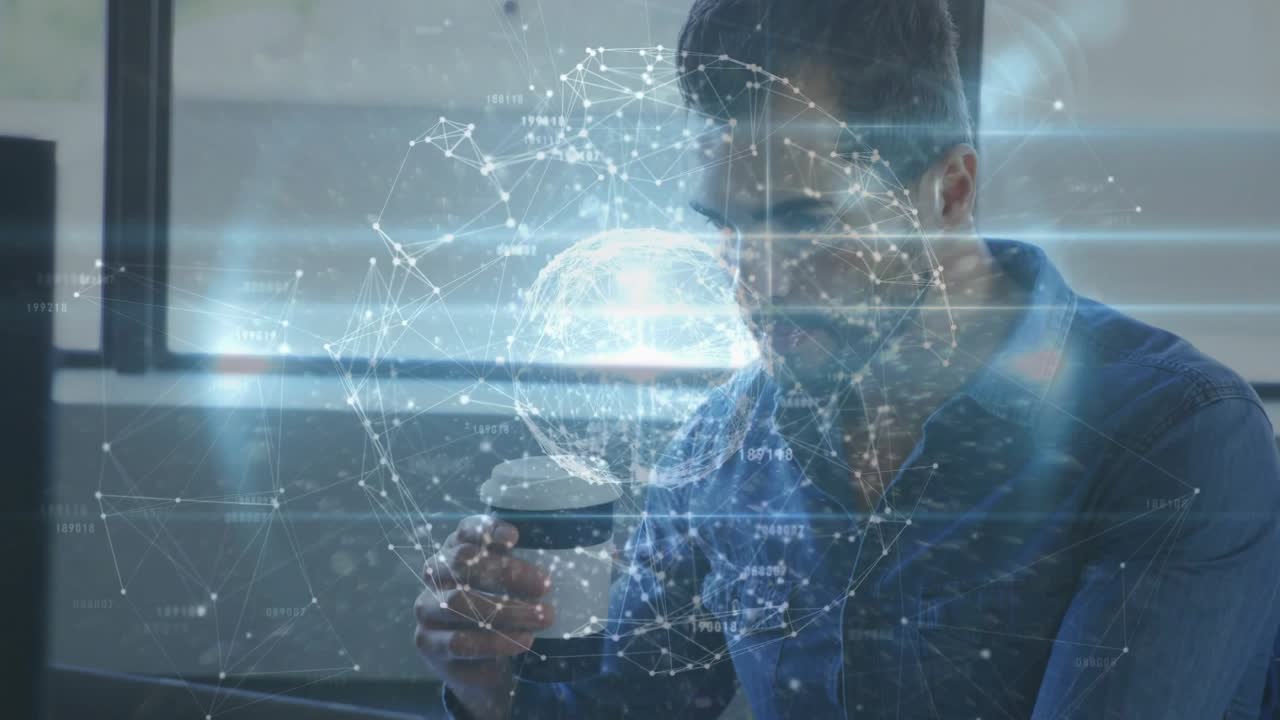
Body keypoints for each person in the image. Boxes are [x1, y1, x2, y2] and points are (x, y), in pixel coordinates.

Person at [414, 1, 1280, 718]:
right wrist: (494, 679)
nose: (753, 281)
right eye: (727, 227)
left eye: (800, 220)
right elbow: (631, 703)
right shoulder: (724, 447)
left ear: (949, 189)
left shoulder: (1177, 439)